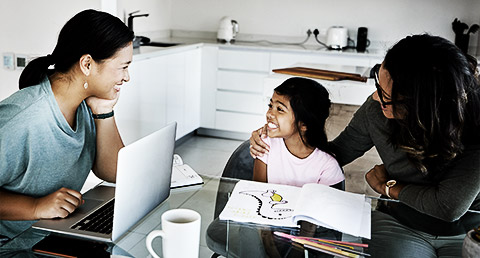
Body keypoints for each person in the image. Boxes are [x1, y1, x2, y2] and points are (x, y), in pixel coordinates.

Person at [250, 34, 480, 257]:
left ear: (423, 108)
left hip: (468, 232)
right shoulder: (375, 111)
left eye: (385, 95)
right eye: (378, 83)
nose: (375, 98)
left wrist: (387, 187)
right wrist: (277, 139)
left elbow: (447, 207)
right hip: (400, 222)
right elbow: (335, 153)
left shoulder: (476, 123)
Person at [0, 9, 134, 241]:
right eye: (123, 66)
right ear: (87, 64)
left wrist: (104, 112)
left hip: (54, 234)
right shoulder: (23, 119)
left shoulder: (85, 104)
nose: (127, 76)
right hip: (14, 246)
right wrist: (35, 207)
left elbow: (113, 172)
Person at [253, 77, 344, 187]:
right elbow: (257, 191)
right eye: (271, 106)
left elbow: (322, 203)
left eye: (280, 109)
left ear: (304, 124)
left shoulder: (328, 166)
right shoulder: (266, 144)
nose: (269, 114)